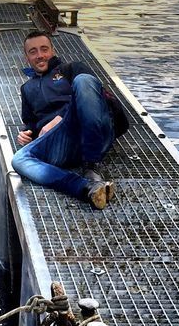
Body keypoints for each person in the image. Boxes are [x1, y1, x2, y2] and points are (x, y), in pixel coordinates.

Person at [10, 30, 121, 209]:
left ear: (52, 51)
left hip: (92, 131)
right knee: (19, 160)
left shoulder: (71, 68)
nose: (40, 55)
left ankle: (92, 166)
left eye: (44, 49)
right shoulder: (26, 88)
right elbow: (30, 122)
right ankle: (86, 188)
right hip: (61, 145)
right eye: (33, 52)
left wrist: (59, 118)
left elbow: (98, 97)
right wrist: (25, 133)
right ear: (27, 58)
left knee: (84, 80)